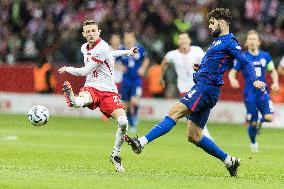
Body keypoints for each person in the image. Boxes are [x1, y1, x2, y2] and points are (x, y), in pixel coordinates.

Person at [124, 8, 266, 177]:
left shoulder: (229, 42)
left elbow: (246, 61)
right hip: (206, 87)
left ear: (222, 23)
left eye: (212, 23)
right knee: (194, 135)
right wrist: (202, 69)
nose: (210, 27)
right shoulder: (218, 42)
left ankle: (141, 142)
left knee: (174, 112)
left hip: (206, 88)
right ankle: (229, 161)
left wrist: (255, 79)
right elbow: (220, 64)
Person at [58, 19, 137, 172]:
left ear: (98, 32)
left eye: (93, 31)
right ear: (83, 34)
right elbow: (111, 54)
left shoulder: (102, 47)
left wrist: (68, 68)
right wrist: (127, 52)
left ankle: (116, 154)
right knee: (86, 97)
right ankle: (74, 101)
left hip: (108, 90)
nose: (91, 34)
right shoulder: (84, 48)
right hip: (92, 86)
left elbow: (85, 71)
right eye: (88, 31)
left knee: (123, 122)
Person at [228, 30, 279, 152]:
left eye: (254, 39)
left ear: (259, 42)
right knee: (253, 123)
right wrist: (232, 79)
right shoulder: (243, 57)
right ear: (246, 42)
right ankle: (253, 143)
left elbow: (272, 71)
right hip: (249, 95)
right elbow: (232, 73)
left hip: (263, 93)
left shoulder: (265, 56)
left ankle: (259, 123)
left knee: (269, 118)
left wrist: (276, 82)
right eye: (250, 39)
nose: (252, 41)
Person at [160, 32, 213, 140]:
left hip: (198, 86)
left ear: (189, 40)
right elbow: (164, 62)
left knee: (192, 116)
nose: (183, 41)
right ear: (178, 42)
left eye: (185, 39)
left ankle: (205, 138)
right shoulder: (172, 54)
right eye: (181, 39)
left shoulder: (197, 51)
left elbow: (206, 63)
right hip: (184, 89)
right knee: (193, 116)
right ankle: (205, 138)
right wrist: (161, 77)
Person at [120, 30, 150, 132]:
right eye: (126, 37)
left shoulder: (139, 48)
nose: (128, 39)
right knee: (126, 105)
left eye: (130, 37)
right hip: (126, 80)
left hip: (136, 79)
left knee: (134, 101)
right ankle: (131, 123)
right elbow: (114, 60)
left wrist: (143, 68)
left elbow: (146, 59)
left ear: (133, 37)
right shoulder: (122, 49)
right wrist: (120, 67)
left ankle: (135, 117)